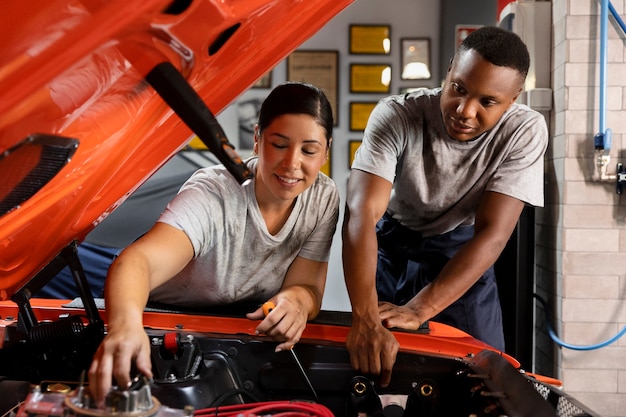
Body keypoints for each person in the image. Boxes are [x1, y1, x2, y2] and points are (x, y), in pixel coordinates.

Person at [88, 81, 339, 404]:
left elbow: (308, 286)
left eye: (308, 150)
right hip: (132, 291)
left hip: (224, 313)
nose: (292, 163)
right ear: (257, 140)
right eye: (279, 144)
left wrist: (297, 302)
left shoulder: (323, 197)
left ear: (326, 151)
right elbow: (137, 263)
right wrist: (124, 326)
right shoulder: (213, 193)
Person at [342, 26, 548, 387]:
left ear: (513, 100)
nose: (465, 111)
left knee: (486, 380)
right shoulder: (397, 115)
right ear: (450, 70)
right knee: (376, 370)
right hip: (392, 244)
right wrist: (364, 318)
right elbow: (361, 213)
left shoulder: (525, 131)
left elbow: (493, 234)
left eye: (487, 102)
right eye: (459, 88)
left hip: (462, 249)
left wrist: (419, 309)